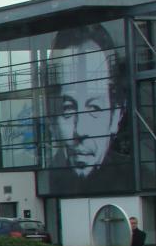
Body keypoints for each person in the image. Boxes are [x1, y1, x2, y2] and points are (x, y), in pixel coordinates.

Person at [45, 24, 130, 193]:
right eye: (68, 109)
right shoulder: (44, 180)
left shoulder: (138, 176)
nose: (80, 131)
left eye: (94, 108)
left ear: (116, 115)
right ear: (52, 119)